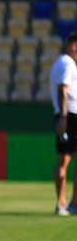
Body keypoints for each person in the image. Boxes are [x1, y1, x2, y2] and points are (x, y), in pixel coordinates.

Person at [49, 32, 77, 216]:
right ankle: (71, 203)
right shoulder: (68, 64)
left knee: (63, 160)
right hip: (71, 115)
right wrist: (64, 118)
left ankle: (62, 203)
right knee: (65, 160)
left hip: (64, 115)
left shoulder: (58, 62)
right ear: (73, 46)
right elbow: (63, 89)